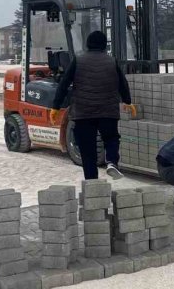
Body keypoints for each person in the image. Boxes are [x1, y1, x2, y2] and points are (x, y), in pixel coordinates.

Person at [51, 30, 135, 180]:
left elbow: (64, 84)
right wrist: (128, 101)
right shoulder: (112, 61)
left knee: (87, 149)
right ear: (104, 45)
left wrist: (56, 106)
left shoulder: (78, 60)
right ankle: (111, 163)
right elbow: (123, 84)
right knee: (111, 138)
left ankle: (91, 181)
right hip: (108, 111)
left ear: (88, 44)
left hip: (83, 112)